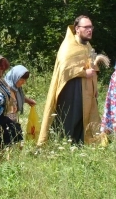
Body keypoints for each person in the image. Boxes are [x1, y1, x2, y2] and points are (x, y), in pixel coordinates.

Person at [38, 15, 104, 145]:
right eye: (86, 27)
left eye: (91, 27)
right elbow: (65, 68)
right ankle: (63, 143)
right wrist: (83, 72)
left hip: (86, 88)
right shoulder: (68, 46)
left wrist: (94, 86)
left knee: (84, 116)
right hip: (71, 87)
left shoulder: (88, 45)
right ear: (77, 29)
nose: (89, 30)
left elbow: (93, 64)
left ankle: (82, 142)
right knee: (70, 116)